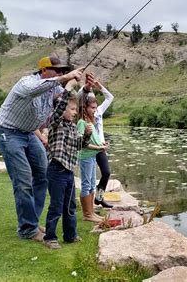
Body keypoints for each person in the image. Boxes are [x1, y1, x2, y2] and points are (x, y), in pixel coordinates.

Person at [0, 56, 84, 242]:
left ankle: (31, 221)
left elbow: (68, 99)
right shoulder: (26, 83)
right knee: (23, 179)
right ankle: (27, 229)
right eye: (57, 70)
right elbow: (38, 89)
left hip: (28, 133)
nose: (60, 73)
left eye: (62, 71)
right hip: (8, 132)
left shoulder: (54, 88)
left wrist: (84, 86)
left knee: (42, 175)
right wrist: (64, 79)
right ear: (43, 70)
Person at [43, 79, 92, 249]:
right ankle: (50, 237)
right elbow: (57, 111)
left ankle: (70, 235)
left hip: (69, 172)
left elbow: (81, 145)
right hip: (56, 170)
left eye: (75, 109)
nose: (75, 112)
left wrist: (86, 134)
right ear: (62, 108)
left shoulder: (72, 127)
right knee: (56, 206)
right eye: (72, 109)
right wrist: (68, 89)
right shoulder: (55, 123)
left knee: (70, 205)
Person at [78, 75, 114, 208]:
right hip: (90, 147)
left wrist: (99, 86)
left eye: (95, 105)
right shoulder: (83, 118)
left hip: (100, 146)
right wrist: (86, 86)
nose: (94, 108)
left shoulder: (99, 111)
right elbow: (79, 96)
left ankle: (99, 198)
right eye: (91, 105)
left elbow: (110, 97)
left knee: (106, 173)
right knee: (88, 179)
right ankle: (88, 207)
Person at [77, 93, 109, 222]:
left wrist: (102, 144)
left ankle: (91, 213)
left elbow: (94, 140)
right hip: (86, 157)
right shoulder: (81, 123)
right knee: (86, 185)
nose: (94, 110)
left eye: (95, 108)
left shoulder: (91, 122)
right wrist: (98, 148)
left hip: (92, 157)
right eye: (92, 108)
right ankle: (87, 214)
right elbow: (81, 144)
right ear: (84, 108)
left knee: (91, 185)